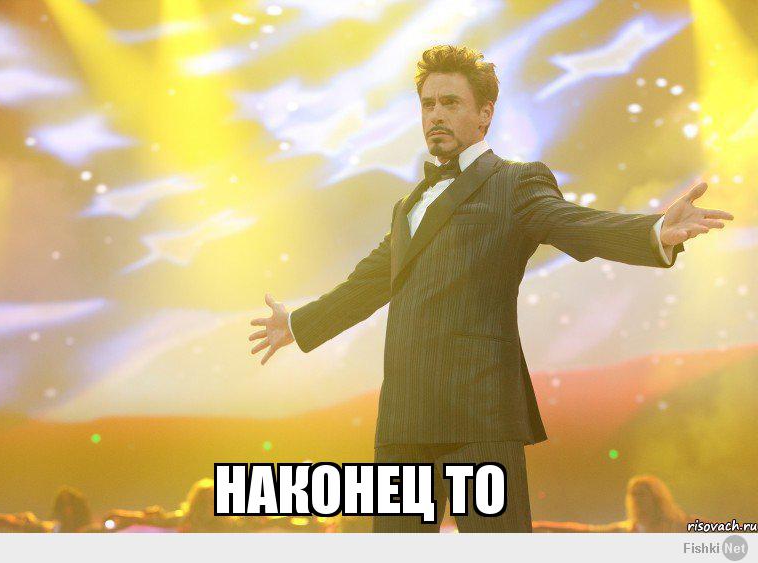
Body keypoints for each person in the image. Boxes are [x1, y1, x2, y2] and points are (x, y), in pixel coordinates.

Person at [248, 45, 733, 532]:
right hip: (404, 418)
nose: (435, 114)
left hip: (478, 415)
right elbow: (368, 282)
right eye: (428, 104)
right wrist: (298, 324)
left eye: (450, 102)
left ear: (485, 113)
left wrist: (653, 231)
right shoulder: (408, 205)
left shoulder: (515, 183)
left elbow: (572, 223)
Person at [533, 475, 692, 532]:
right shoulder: (628, 530)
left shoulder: (680, 525)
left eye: (641, 494)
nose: (635, 499)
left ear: (656, 498)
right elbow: (584, 531)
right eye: (632, 494)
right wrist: (539, 525)